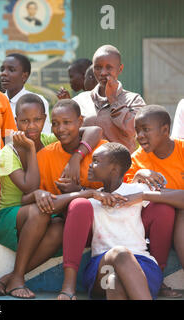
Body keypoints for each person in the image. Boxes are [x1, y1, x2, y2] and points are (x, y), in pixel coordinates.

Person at [0, 96, 103, 298]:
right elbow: (30, 188)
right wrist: (31, 149)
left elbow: (94, 130)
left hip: (41, 209)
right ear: (16, 121)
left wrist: (77, 156)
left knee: (59, 226)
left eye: (37, 120)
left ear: (44, 120)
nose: (31, 126)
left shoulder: (50, 139)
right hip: (11, 216)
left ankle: (13, 276)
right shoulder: (6, 153)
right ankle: (16, 279)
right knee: (41, 211)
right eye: (24, 121)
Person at [80, 143, 184, 299]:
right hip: (100, 271)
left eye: (95, 161)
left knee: (114, 281)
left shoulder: (135, 191)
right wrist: (91, 193)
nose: (89, 165)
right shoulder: (90, 198)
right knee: (117, 258)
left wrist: (142, 196)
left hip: (143, 266)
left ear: (114, 169)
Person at [124, 105, 184, 297]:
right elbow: (126, 197)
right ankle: (155, 277)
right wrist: (139, 176)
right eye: (137, 130)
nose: (140, 135)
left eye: (146, 130)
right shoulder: (136, 161)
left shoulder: (182, 150)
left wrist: (147, 194)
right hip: (152, 223)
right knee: (165, 208)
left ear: (165, 130)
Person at [79, 45, 146, 153]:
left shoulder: (134, 100)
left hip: (122, 167)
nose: (103, 73)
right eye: (98, 67)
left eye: (109, 67)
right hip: (87, 167)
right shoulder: (81, 100)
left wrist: (113, 100)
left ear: (120, 69)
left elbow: (132, 130)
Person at [0, 53, 51, 134]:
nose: (4, 73)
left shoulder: (37, 101)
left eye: (11, 70)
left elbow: (44, 136)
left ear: (24, 76)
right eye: (2, 69)